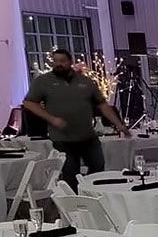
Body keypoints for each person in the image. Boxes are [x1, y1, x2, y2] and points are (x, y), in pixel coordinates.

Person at [22, 49, 130, 190]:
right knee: (70, 172)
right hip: (62, 138)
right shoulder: (43, 81)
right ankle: (74, 204)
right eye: (55, 61)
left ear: (70, 62)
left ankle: (94, 196)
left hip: (87, 135)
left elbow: (102, 104)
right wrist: (51, 119)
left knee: (98, 168)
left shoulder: (85, 82)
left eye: (62, 61)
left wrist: (119, 124)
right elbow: (29, 103)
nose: (58, 64)